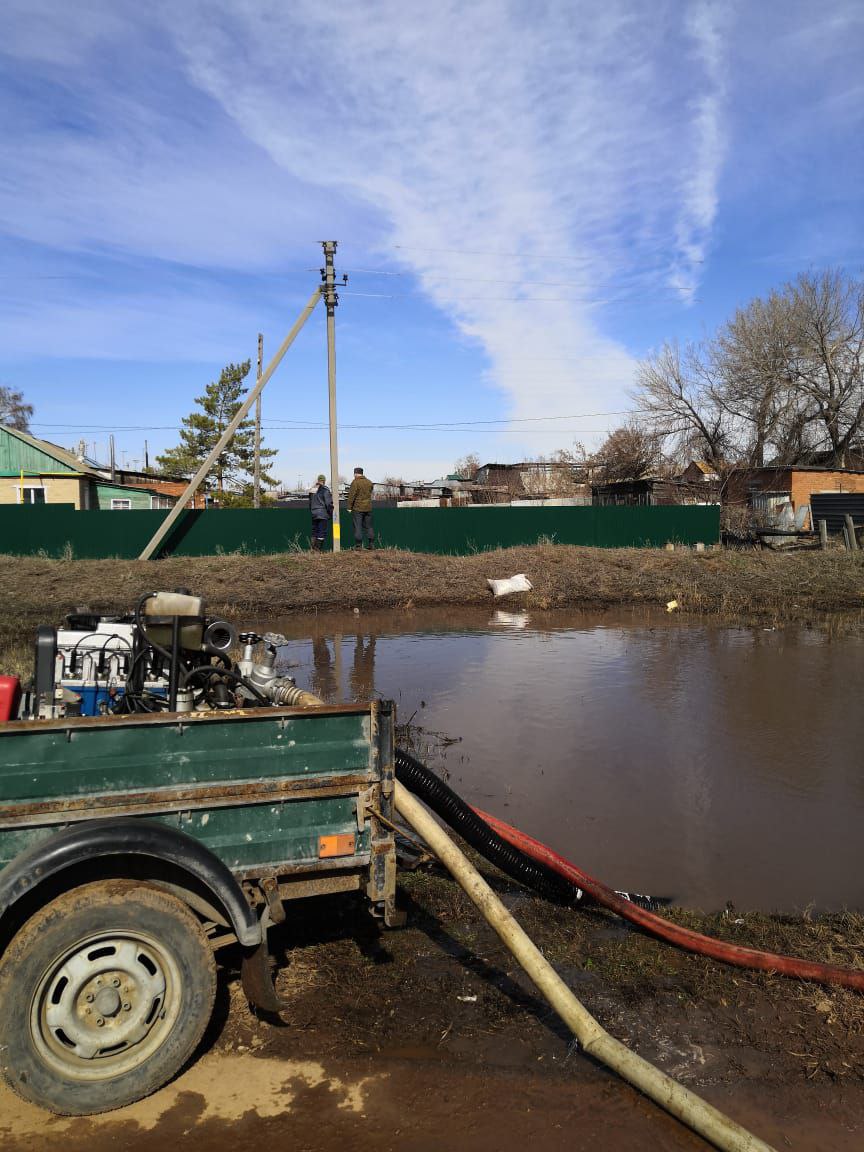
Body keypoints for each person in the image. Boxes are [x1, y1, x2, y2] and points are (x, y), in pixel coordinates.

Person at [347, 466, 375, 549]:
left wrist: (349, 507)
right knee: (368, 526)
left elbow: (352, 495)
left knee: (358, 526)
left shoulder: (355, 482)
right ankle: (371, 544)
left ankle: (358, 545)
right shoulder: (369, 482)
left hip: (358, 508)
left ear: (355, 474)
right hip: (368, 508)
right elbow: (370, 492)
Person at [309, 473, 333, 551]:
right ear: (324, 481)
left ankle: (313, 549)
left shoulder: (312, 490)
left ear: (318, 480)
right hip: (323, 513)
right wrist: (330, 513)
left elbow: (310, 503)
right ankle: (317, 549)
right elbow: (328, 503)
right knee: (322, 532)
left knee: (314, 531)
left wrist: (312, 511)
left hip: (314, 513)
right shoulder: (325, 490)